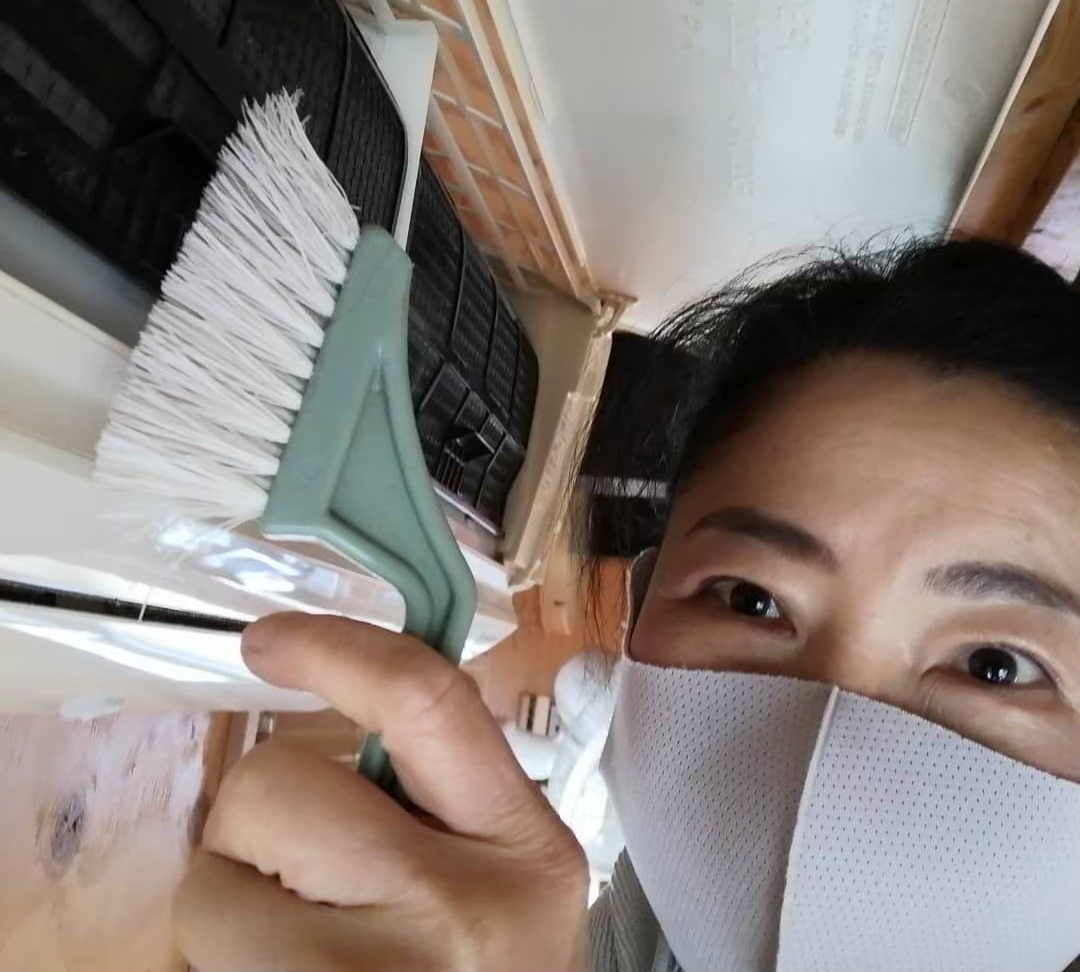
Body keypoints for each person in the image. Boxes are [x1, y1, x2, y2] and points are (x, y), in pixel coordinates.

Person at [175, 238, 1080, 972]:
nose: (826, 758)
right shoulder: (615, 932)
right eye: (750, 599)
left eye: (996, 665)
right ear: (637, 623)